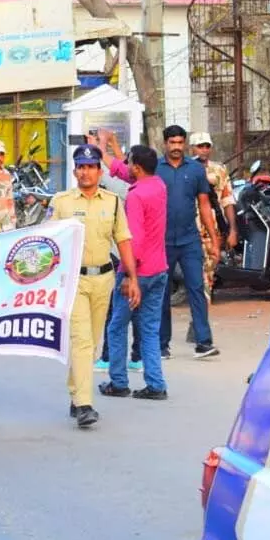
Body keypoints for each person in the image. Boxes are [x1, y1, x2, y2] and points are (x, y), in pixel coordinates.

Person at [100, 126, 220, 359]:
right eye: (172, 142)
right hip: (161, 243)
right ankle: (162, 345)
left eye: (180, 142)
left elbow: (204, 205)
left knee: (197, 288)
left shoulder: (195, 170)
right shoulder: (155, 171)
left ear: (185, 144)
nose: (176, 147)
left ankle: (203, 342)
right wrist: (105, 146)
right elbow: (123, 170)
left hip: (189, 240)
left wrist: (214, 239)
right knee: (162, 293)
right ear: (165, 143)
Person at [47, 144, 138, 429]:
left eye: (90, 167)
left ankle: (76, 393)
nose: (85, 172)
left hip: (104, 279)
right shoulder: (61, 202)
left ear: (100, 171)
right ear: (74, 171)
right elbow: (48, 241)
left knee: (93, 341)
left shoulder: (112, 202)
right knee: (82, 340)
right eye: (80, 167)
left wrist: (131, 277)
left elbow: (123, 239)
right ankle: (85, 404)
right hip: (73, 280)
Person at [100, 145, 169, 400]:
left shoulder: (136, 196)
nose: (126, 166)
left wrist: (131, 277)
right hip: (159, 268)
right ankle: (156, 384)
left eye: (130, 163)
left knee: (117, 326)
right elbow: (125, 172)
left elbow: (134, 240)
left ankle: (118, 381)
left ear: (137, 167)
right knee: (149, 329)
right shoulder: (159, 185)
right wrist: (104, 147)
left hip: (137, 270)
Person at [190, 132, 237, 311]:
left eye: (207, 146)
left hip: (212, 229)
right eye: (200, 146)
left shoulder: (219, 170)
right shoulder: (185, 169)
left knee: (209, 269)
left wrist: (232, 229)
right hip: (190, 227)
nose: (204, 150)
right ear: (192, 148)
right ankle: (200, 312)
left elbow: (227, 200)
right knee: (194, 271)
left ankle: (202, 311)